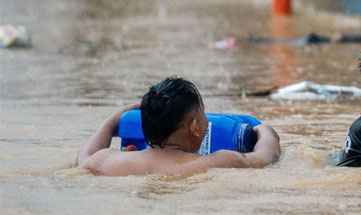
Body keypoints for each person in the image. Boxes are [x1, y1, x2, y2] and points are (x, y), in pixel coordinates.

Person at [75, 77, 281, 176]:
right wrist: (265, 131)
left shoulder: (108, 160)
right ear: (194, 127)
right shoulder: (216, 162)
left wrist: (112, 121)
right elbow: (266, 158)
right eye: (203, 114)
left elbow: (83, 159)